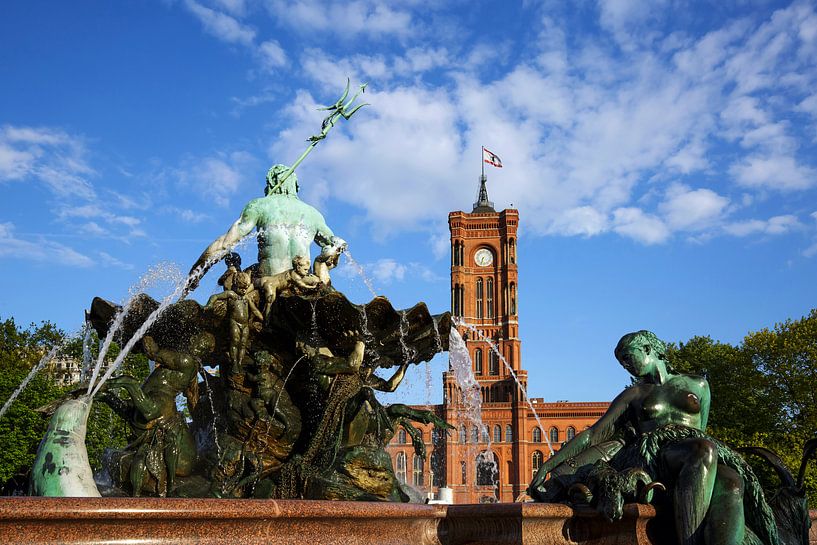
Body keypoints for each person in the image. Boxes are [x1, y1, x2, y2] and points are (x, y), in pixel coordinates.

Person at [528, 330, 778, 545]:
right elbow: (593, 434)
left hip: (695, 452)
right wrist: (549, 466)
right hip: (656, 455)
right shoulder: (635, 394)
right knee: (703, 449)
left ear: (648, 348)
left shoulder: (698, 385)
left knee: (732, 482)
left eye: (628, 357)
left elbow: (701, 428)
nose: (626, 365)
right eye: (622, 362)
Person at [188, 164, 346, 287]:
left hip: (268, 282)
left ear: (271, 182)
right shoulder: (314, 214)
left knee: (237, 278)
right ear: (296, 186)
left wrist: (195, 274)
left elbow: (224, 245)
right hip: (303, 281)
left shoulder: (259, 205)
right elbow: (334, 246)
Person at [206, 271, 264, 375]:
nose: (243, 291)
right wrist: (209, 304)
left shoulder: (246, 297)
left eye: (245, 289)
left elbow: (254, 310)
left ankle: (240, 363)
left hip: (245, 325)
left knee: (242, 344)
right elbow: (215, 297)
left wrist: (263, 318)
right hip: (234, 322)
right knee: (235, 342)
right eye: (241, 288)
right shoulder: (231, 294)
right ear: (235, 284)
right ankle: (234, 363)